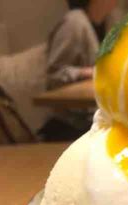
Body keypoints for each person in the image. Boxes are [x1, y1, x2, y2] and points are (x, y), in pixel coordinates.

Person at [41, 0, 116, 141]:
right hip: (70, 126)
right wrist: (87, 72)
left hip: (90, 122)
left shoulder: (104, 23)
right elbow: (53, 74)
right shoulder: (74, 22)